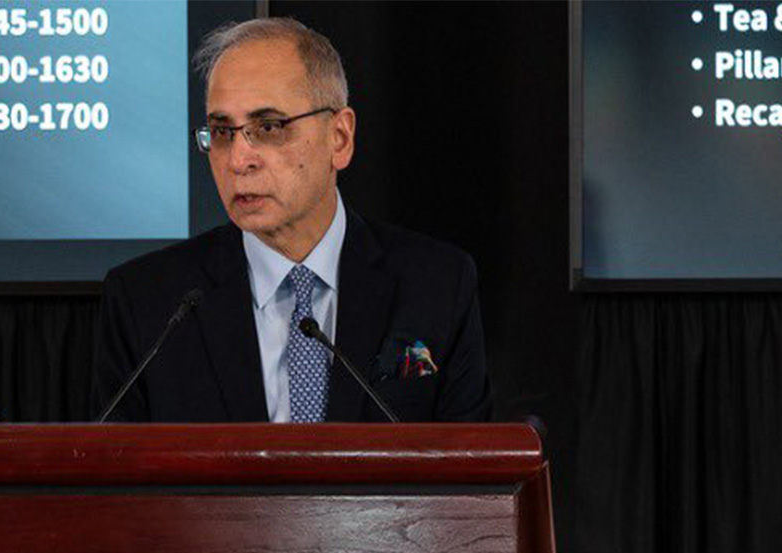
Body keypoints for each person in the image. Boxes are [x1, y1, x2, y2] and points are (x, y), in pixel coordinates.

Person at [92, 17, 490, 423]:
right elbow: (118, 480)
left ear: (340, 138)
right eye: (222, 131)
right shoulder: (149, 304)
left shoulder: (437, 286)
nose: (238, 160)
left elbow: (470, 475)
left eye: (268, 127)